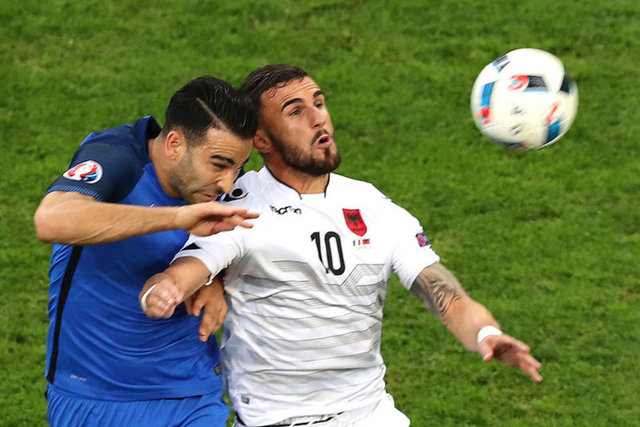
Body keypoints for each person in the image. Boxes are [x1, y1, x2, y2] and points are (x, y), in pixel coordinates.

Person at [140, 65, 543, 427]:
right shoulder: (241, 207)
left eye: (319, 103)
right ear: (260, 138)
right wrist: (167, 289)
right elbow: (188, 270)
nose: (319, 118)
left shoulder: (373, 205)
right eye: (295, 111)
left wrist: (486, 333)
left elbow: (444, 294)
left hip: (372, 414)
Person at [33, 76, 259, 426]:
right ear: (174, 144)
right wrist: (176, 219)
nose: (228, 183)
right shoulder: (116, 156)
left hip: (192, 391)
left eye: (238, 166)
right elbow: (51, 220)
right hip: (97, 396)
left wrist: (213, 278)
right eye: (218, 164)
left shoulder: (221, 188)